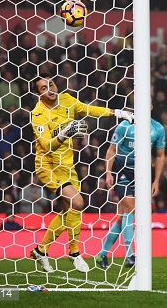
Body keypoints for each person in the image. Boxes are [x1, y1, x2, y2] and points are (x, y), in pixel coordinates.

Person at [29, 73, 133, 273]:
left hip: (68, 166)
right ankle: (74, 253)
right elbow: (45, 145)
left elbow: (89, 110)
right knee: (78, 203)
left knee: (68, 211)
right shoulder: (38, 114)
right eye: (43, 88)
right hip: (48, 166)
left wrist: (117, 113)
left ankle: (41, 250)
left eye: (50, 84)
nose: (50, 89)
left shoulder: (67, 100)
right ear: (38, 94)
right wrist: (63, 134)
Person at [96, 116, 165, 269]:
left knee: (123, 218)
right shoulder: (124, 126)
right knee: (130, 209)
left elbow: (160, 156)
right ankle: (129, 255)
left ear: (151, 106)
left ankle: (102, 254)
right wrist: (108, 173)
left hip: (142, 174)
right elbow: (112, 149)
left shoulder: (157, 128)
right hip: (122, 171)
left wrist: (156, 180)